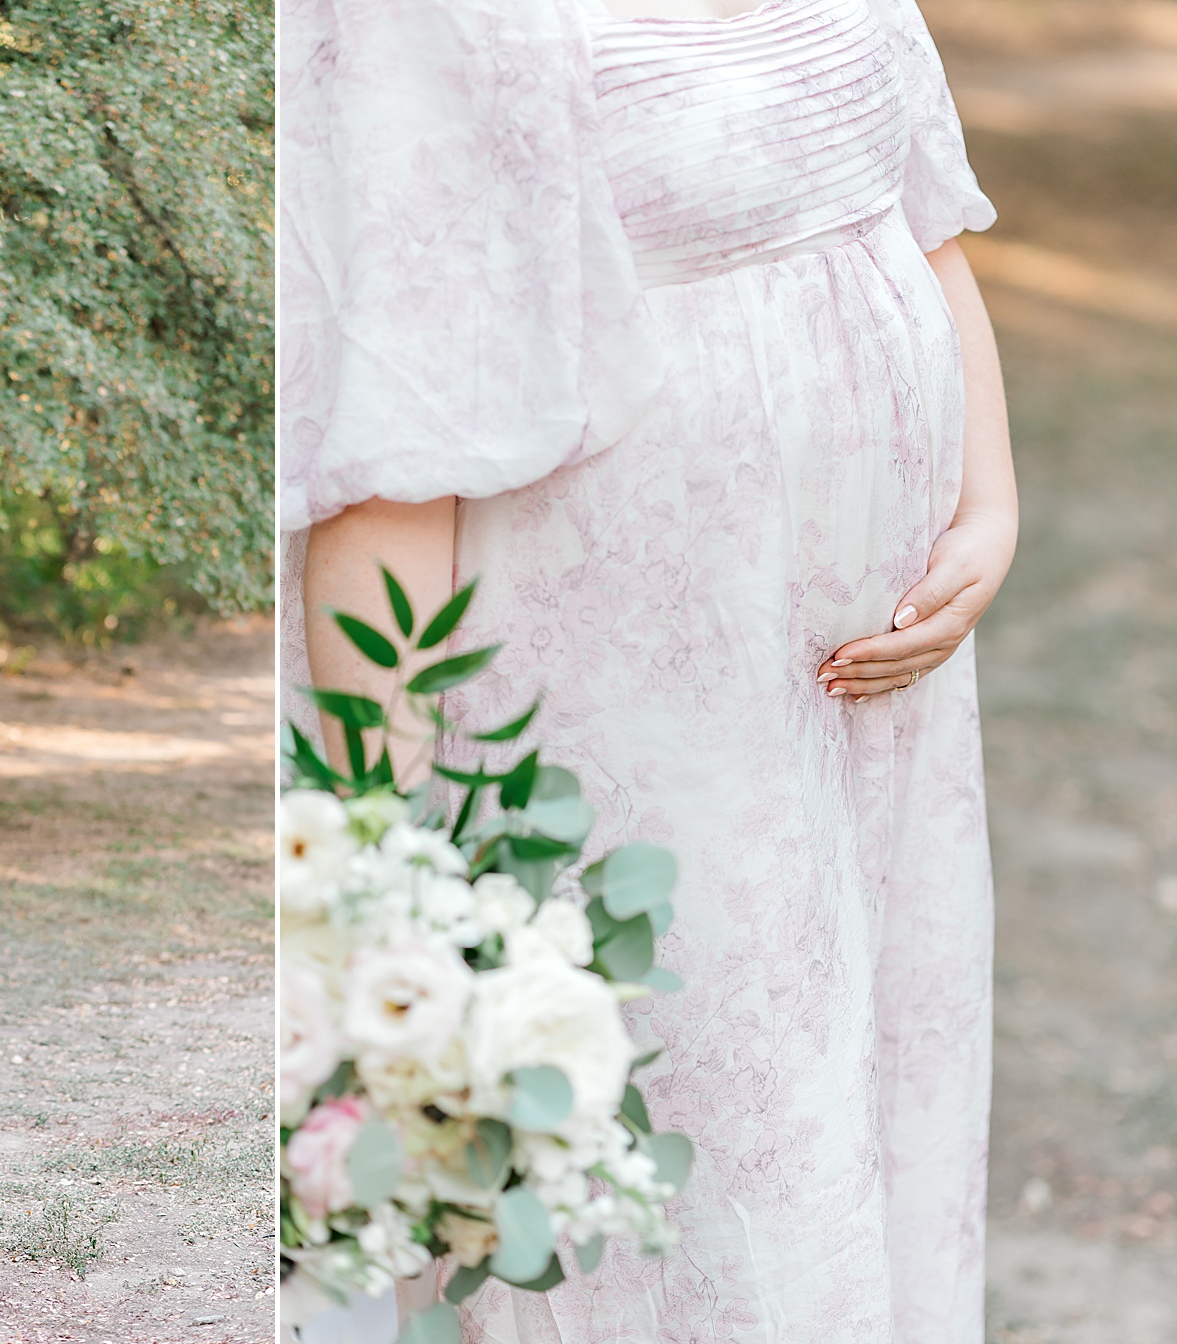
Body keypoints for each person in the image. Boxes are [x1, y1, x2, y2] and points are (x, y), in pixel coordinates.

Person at [282, 0, 1012, 1336]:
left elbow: (916, 213)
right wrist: (377, 878)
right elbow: (388, 444)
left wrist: (990, 504)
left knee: (857, 1089)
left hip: (871, 708)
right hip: (634, 723)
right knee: (707, 1140)